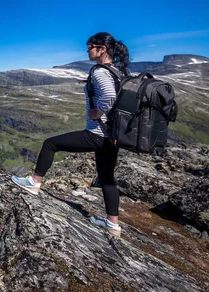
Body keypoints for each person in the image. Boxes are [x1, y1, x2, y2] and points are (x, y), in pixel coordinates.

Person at [11, 32, 131, 237]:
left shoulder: (100, 71)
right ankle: (113, 225)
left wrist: (98, 112)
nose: (87, 49)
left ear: (102, 49)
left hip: (96, 133)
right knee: (107, 178)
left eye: (90, 46)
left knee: (50, 144)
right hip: (112, 137)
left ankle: (34, 183)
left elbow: (110, 97)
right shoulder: (117, 71)